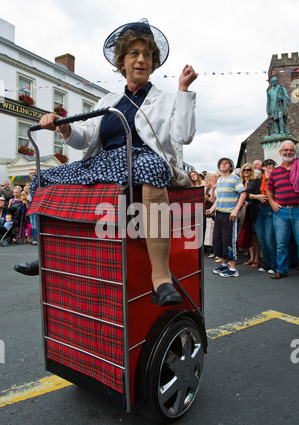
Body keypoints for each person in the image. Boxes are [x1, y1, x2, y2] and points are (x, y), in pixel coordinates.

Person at [14, 19, 198, 307]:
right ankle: (47, 253)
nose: (141, 60)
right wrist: (63, 127)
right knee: (42, 177)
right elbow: (84, 137)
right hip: (103, 162)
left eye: (147, 54)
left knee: (151, 168)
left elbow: (184, 136)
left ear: (153, 63)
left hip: (142, 158)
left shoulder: (167, 99)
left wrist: (184, 91)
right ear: (122, 61)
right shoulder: (108, 99)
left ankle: (161, 278)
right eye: (134, 53)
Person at [206, 158, 246, 278]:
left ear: (230, 167)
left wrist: (235, 211)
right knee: (219, 240)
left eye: (226, 163)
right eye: (221, 163)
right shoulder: (219, 181)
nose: (223, 164)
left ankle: (233, 269)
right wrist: (212, 209)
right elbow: (219, 199)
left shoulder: (235, 179)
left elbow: (243, 194)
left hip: (230, 215)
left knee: (229, 241)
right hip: (219, 214)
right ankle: (224, 265)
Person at [266, 140, 299, 279]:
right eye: (285, 150)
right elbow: (269, 191)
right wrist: (272, 202)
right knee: (281, 243)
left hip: (298, 210)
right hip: (281, 212)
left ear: (295, 152)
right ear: (280, 153)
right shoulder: (275, 172)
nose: (288, 152)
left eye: (291, 150)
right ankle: (281, 270)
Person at [247, 159, 277, 274]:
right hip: (258, 211)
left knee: (269, 239)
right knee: (262, 239)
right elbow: (247, 194)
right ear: (263, 168)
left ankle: (274, 265)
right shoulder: (257, 181)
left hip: (270, 210)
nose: (270, 166)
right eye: (268, 164)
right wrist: (256, 197)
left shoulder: (276, 179)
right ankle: (267, 263)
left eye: (273, 164)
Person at [238, 163, 260, 267]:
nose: (246, 171)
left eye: (248, 170)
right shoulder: (240, 182)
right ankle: (251, 258)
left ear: (251, 171)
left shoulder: (255, 181)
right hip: (243, 211)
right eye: (244, 170)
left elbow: (256, 195)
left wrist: (248, 199)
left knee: (255, 235)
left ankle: (257, 259)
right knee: (248, 236)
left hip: (253, 210)